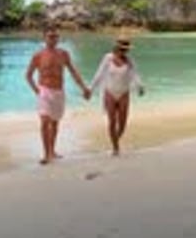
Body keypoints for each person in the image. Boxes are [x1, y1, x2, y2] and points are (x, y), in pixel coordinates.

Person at [25, 26, 90, 164]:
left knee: (54, 123)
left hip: (59, 92)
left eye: (55, 36)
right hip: (44, 91)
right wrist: (37, 90)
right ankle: (46, 154)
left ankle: (52, 151)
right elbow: (28, 75)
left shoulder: (63, 54)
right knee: (44, 122)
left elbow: (73, 72)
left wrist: (84, 88)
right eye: (50, 36)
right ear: (44, 38)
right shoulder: (38, 55)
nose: (53, 39)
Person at [89, 36, 144, 156]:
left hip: (124, 93)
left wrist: (140, 86)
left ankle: (115, 140)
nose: (124, 52)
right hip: (110, 92)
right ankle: (115, 147)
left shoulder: (129, 61)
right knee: (112, 121)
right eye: (122, 49)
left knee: (123, 124)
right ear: (117, 48)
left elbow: (135, 75)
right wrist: (90, 89)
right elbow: (99, 74)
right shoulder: (107, 58)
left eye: (126, 50)